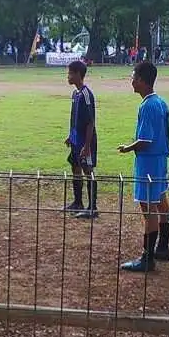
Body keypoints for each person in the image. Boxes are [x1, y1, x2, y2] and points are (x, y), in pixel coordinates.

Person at [117, 62, 169, 272]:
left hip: (148, 161)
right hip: (160, 159)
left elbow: (145, 140)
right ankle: (163, 247)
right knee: (161, 201)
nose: (131, 81)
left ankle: (147, 257)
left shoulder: (147, 106)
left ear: (141, 80)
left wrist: (127, 148)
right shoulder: (161, 102)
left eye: (133, 77)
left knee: (147, 207)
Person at [63, 60, 98, 218]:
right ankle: (78, 202)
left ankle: (93, 207)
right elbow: (74, 118)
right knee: (75, 167)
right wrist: (71, 136)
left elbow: (90, 122)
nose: (68, 76)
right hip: (76, 140)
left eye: (70, 73)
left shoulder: (86, 94)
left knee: (88, 170)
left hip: (85, 141)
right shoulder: (75, 94)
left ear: (78, 74)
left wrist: (87, 145)